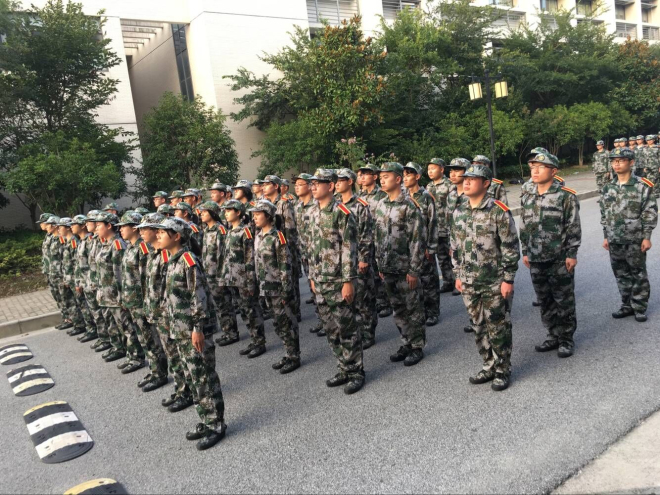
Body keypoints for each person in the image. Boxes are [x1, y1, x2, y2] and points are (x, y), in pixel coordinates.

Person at [154, 217, 227, 451]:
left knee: (204, 377)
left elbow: (199, 297)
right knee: (194, 379)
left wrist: (197, 328)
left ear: (177, 236)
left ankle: (216, 424)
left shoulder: (188, 261)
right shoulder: (171, 261)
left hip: (194, 331)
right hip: (180, 331)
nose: (158, 235)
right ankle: (206, 419)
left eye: (163, 232)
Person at [451, 164, 520, 392]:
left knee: (498, 327)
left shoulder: (498, 210)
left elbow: (510, 247)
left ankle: (502, 369)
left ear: (486, 183)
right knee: (478, 326)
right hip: (469, 282)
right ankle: (488, 365)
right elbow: (455, 247)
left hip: (494, 282)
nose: (466, 182)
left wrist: (508, 279)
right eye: (465, 178)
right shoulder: (459, 211)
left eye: (473, 178)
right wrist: (458, 275)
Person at [520, 152, 581, 358]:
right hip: (536, 258)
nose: (535, 171)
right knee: (544, 299)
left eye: (541, 167)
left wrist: (571, 253)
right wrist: (525, 251)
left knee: (563, 300)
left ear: (553, 171)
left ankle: (566, 338)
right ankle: (553, 334)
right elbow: (524, 226)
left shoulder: (565, 196)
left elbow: (573, 226)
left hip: (559, 258)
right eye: (532, 167)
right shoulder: (528, 195)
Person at [308, 169, 364, 394]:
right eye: (312, 183)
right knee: (331, 329)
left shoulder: (342, 212)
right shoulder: (312, 212)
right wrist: (312, 276)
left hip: (338, 281)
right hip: (320, 281)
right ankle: (343, 368)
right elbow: (311, 247)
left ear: (330, 186)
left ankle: (356, 372)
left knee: (347, 328)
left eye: (318, 183)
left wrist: (348, 281)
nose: (313, 186)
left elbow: (349, 248)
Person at [374, 162, 427, 366]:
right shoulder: (381, 205)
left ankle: (417, 346)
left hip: (406, 268)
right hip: (388, 268)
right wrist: (380, 265)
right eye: (381, 177)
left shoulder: (409, 206)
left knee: (413, 308)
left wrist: (414, 270)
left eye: (386, 176)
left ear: (398, 179)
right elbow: (378, 237)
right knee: (397, 309)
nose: (382, 180)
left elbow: (417, 240)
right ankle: (406, 342)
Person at [601, 148, 658, 322]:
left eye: (621, 160)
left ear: (631, 162)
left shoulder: (642, 186)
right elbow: (604, 213)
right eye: (613, 161)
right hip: (614, 238)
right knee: (621, 274)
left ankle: (639, 307)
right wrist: (606, 235)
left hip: (635, 239)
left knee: (638, 273)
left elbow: (649, 212)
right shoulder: (608, 187)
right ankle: (626, 304)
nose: (616, 164)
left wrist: (647, 236)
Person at [250, 199, 301, 374]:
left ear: (268, 216)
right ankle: (288, 353)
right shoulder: (258, 236)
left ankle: (294, 356)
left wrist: (286, 291)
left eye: (258, 214)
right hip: (266, 288)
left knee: (287, 323)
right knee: (278, 324)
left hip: (279, 289)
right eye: (254, 214)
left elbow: (285, 266)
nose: (255, 217)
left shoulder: (278, 237)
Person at [117, 211, 168, 379]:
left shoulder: (143, 248)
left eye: (124, 226)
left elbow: (147, 279)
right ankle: (154, 370)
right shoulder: (130, 247)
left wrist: (147, 304)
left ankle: (159, 372)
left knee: (150, 339)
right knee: (143, 337)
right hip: (132, 301)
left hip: (141, 302)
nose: (121, 229)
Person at [336, 168, 378, 348]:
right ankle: (354, 332)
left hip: (358, 258)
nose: (337, 183)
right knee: (348, 299)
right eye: (336, 180)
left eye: (341, 180)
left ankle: (368, 333)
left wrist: (364, 258)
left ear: (350, 181)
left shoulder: (360, 205)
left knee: (364, 298)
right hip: (342, 260)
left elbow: (366, 234)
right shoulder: (336, 205)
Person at [221, 199, 266, 358]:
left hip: (244, 280)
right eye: (225, 210)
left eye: (229, 210)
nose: (226, 213)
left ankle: (259, 342)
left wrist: (251, 281)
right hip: (233, 279)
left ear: (238, 212)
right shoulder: (230, 231)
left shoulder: (245, 231)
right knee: (244, 312)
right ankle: (254, 339)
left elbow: (249, 258)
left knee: (252, 310)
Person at [403, 162, 440, 327]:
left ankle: (432, 312)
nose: (405, 178)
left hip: (424, 246)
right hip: (409, 247)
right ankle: (420, 311)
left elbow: (433, 223)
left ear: (417, 176)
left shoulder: (426, 196)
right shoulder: (402, 196)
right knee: (414, 281)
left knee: (428, 280)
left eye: (409, 175)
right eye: (404, 175)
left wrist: (431, 247)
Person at [262, 175, 302, 322]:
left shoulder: (284, 203)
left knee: (290, 280)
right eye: (263, 184)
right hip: (270, 249)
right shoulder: (264, 203)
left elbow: (290, 229)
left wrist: (289, 251)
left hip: (284, 247)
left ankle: (294, 312)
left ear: (276, 186)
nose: (264, 187)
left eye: (267, 184)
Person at [95, 211, 132, 363]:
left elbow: (120, 273)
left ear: (109, 226)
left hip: (115, 294)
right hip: (106, 293)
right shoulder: (106, 244)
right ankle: (118, 348)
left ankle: (134, 355)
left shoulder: (117, 244)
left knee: (125, 327)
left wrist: (121, 296)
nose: (96, 228)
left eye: (99, 225)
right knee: (113, 324)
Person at [358, 162, 391, 318]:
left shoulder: (382, 195)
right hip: (365, 240)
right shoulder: (360, 196)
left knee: (380, 272)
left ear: (375, 177)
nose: (363, 177)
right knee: (368, 274)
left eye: (366, 174)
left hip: (379, 239)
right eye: (361, 174)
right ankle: (374, 301)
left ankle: (385, 303)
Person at [426, 158, 454, 294]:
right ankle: (448, 281)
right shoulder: (428, 187)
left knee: (453, 256)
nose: (430, 171)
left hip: (448, 226)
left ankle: (458, 281)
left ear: (442, 169)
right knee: (441, 257)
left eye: (433, 168)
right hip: (436, 228)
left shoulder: (449, 185)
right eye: (428, 169)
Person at [68, 215, 98, 341]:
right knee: (88, 308)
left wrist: (89, 282)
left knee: (95, 311)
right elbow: (78, 264)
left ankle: (97, 333)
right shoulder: (81, 241)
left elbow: (92, 264)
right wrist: (78, 281)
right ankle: (92, 330)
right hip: (83, 281)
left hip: (90, 281)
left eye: (74, 224)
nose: (71, 227)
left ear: (82, 226)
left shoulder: (89, 240)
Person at [58, 217, 86, 337]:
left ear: (67, 228)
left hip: (74, 278)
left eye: (61, 227)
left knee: (80, 303)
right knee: (72, 302)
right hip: (69, 278)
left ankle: (82, 325)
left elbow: (75, 263)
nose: (59, 229)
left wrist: (75, 279)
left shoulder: (74, 242)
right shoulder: (67, 241)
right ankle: (78, 324)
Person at [446, 158, 470, 297]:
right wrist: (451, 243)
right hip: (457, 241)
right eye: (451, 171)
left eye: (457, 170)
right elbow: (450, 221)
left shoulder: (472, 194)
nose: (453, 174)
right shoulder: (451, 195)